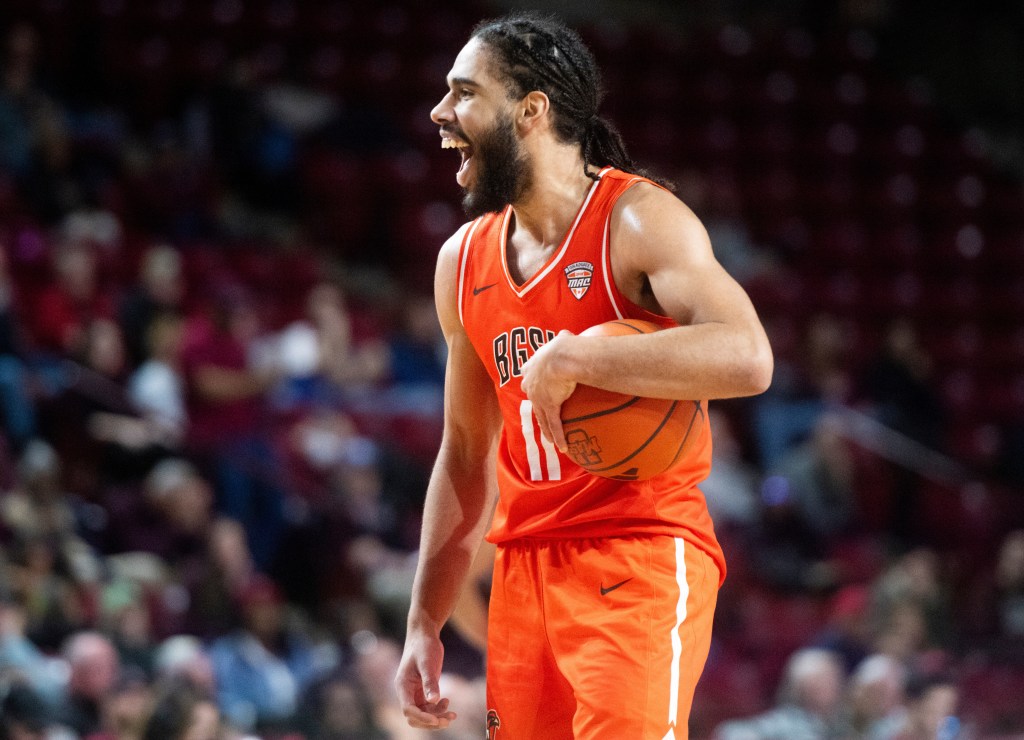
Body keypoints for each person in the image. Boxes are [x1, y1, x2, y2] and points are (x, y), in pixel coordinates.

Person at [394, 11, 773, 739]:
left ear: (530, 110)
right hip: (525, 565)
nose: (441, 113)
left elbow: (748, 355)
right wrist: (424, 620)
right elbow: (467, 453)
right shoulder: (463, 260)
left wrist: (582, 356)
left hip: (639, 547)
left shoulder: (637, 219)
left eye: (464, 93)